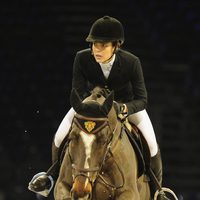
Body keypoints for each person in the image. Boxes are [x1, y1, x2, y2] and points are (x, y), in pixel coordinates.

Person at [29, 16, 165, 199]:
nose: (97, 49)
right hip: (90, 106)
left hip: (124, 105)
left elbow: (142, 99)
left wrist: (123, 108)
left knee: (151, 144)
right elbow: (76, 92)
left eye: (103, 45)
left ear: (116, 45)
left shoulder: (132, 62)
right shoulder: (82, 58)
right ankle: (51, 177)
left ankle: (158, 191)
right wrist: (87, 105)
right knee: (60, 135)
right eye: (94, 44)